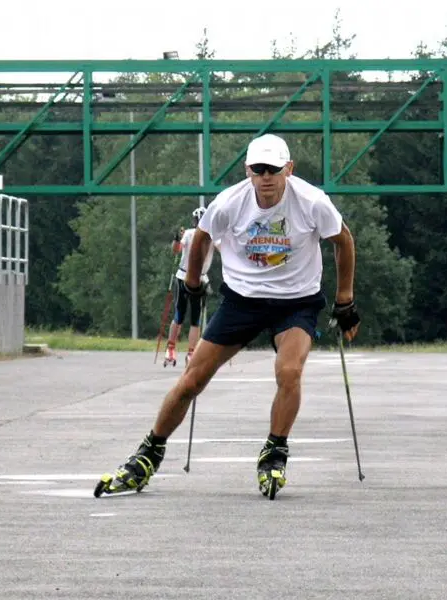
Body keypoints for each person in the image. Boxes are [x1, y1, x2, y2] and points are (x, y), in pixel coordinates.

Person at [94, 133, 360, 500]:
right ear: (248, 170)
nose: (266, 178)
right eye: (258, 169)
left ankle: (275, 450)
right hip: (242, 300)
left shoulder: (313, 201)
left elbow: (343, 240)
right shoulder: (230, 202)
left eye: (274, 169)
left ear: (289, 169)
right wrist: (192, 282)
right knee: (192, 380)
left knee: (289, 372)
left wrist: (345, 299)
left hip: (296, 300)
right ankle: (149, 453)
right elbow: (201, 237)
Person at [164, 207, 215, 367]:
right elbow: (176, 250)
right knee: (180, 314)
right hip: (183, 276)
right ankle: (171, 348)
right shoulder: (189, 233)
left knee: (195, 318)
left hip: (201, 279)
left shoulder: (213, 236)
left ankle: (192, 352)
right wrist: (177, 239)